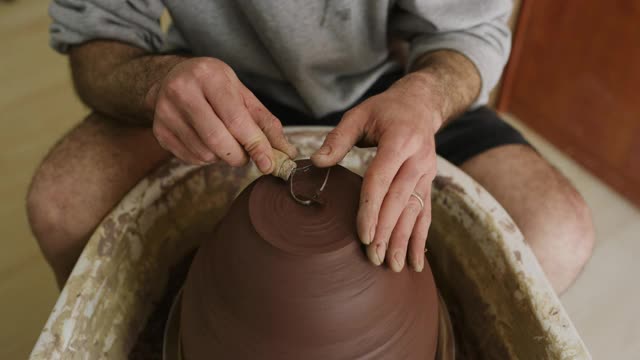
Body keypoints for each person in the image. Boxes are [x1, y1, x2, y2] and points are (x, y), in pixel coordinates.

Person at [28, 0, 594, 293]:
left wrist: (427, 95)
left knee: (557, 232)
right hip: (215, 82)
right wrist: (157, 83)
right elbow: (97, 33)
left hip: (396, 86)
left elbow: (468, 31)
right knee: (63, 203)